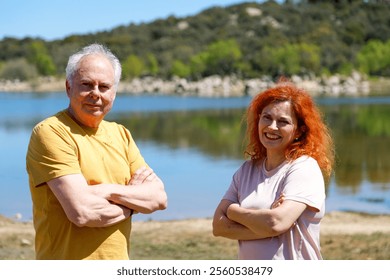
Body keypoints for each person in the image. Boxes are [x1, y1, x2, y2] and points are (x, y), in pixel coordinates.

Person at [26, 43, 167, 260]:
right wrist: (132, 205)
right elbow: (83, 212)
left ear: (114, 92)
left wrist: (105, 191)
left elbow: (158, 198)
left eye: (104, 87)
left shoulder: (121, 134)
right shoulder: (51, 132)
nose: (95, 93)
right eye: (86, 84)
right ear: (68, 87)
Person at [212, 80, 334, 260]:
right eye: (267, 117)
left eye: (283, 121)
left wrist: (233, 212)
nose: (272, 127)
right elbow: (218, 226)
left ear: (299, 131)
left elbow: (276, 222)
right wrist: (266, 225)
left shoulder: (303, 167)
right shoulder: (247, 170)